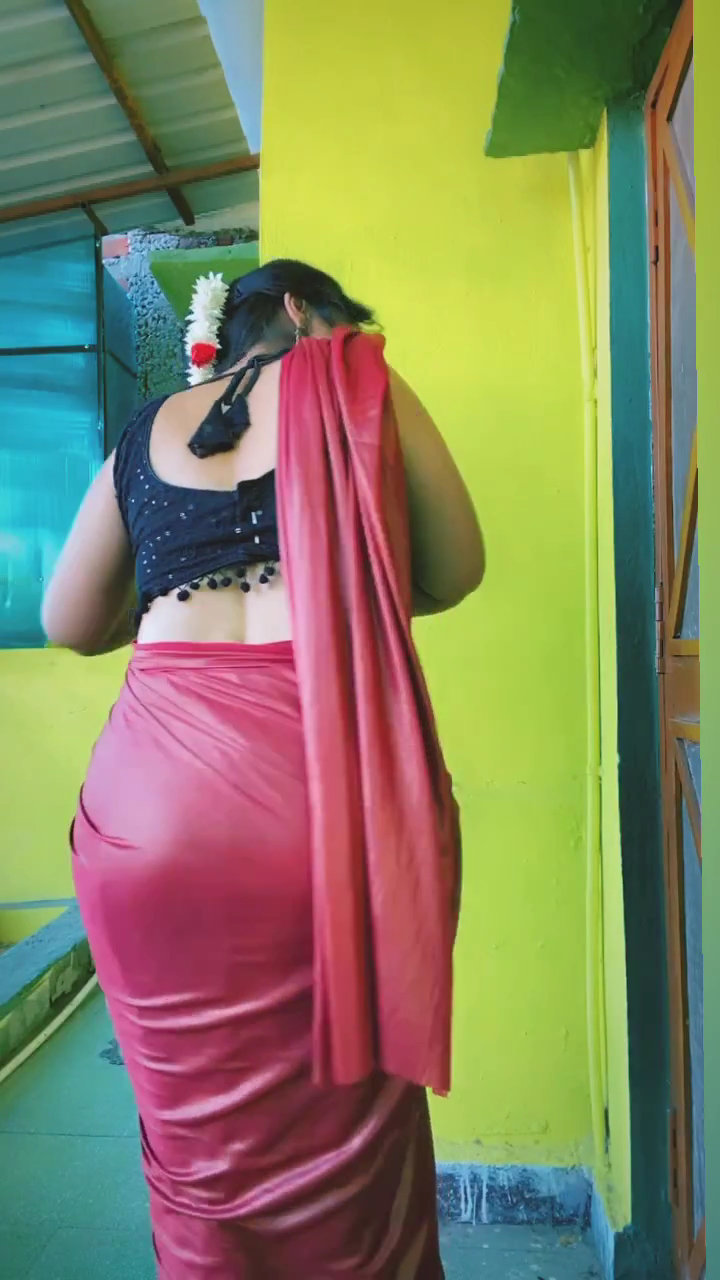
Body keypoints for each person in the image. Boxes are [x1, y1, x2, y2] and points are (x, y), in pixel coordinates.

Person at [42, 260, 484, 1279]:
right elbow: (456, 570)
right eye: (343, 325)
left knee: (195, 1144)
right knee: (351, 1141)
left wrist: (177, 592)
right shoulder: (363, 380)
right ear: (302, 313)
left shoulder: (144, 428)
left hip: (150, 805)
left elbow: (69, 621)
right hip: (322, 790)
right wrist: (340, 589)